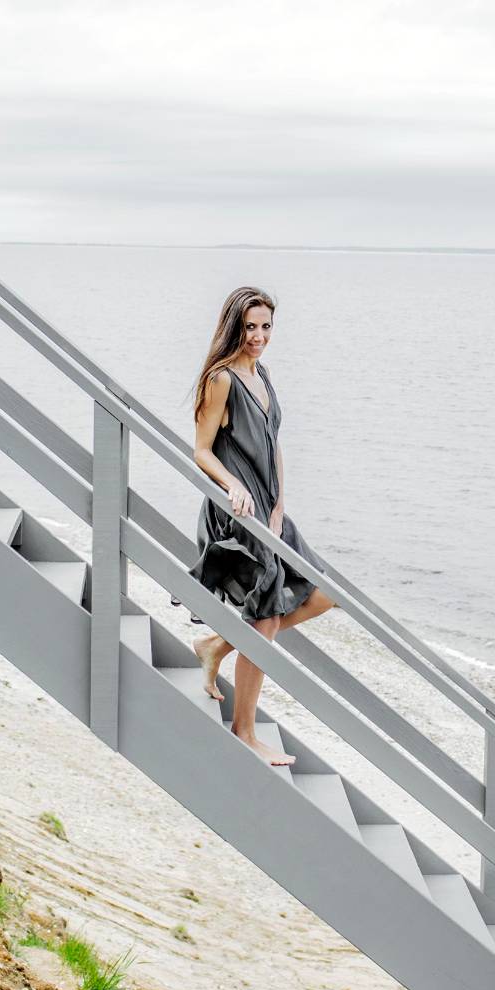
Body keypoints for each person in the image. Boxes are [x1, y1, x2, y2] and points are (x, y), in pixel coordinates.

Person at [187, 285, 335, 766]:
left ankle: (215, 645)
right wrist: (233, 485)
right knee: (265, 617)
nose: (258, 336)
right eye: (250, 327)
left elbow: (273, 444)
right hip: (239, 512)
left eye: (266, 327)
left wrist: (280, 503)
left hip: (269, 511)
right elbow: (201, 450)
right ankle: (244, 731)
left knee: (323, 595)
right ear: (234, 327)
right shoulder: (221, 379)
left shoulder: (262, 374)